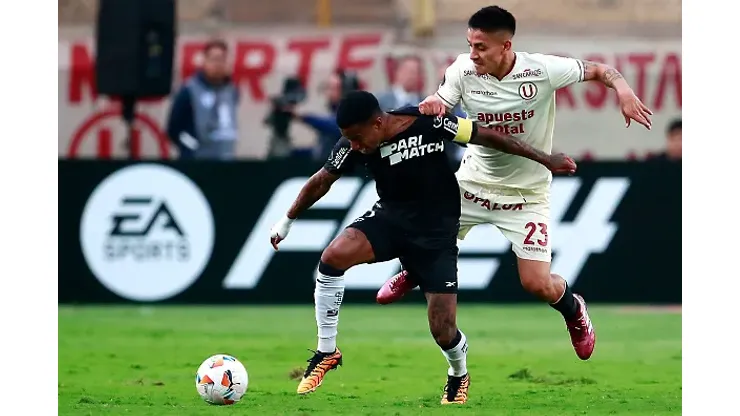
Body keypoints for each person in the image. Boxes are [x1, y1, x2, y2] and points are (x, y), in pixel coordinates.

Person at [376, 5, 654, 362]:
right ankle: (412, 271)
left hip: (526, 194)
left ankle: (573, 309)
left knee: (535, 283)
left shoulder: (541, 70)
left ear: (505, 46)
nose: (472, 54)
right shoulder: (462, 70)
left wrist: (624, 91)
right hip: (474, 182)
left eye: (481, 47)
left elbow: (604, 71)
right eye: (470, 45)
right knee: (430, 233)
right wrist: (432, 105)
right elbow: (440, 103)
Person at [269, 91, 577, 404]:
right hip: (391, 219)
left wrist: (544, 158)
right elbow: (322, 181)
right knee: (333, 256)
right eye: (350, 140)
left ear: (378, 122)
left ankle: (458, 373)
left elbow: (484, 136)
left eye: (359, 138)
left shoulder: (428, 122)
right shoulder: (352, 145)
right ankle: (327, 351)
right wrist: (286, 220)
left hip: (436, 235)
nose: (356, 146)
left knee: (443, 331)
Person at [166, 39, 240, 160]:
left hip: (226, 159)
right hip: (198, 160)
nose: (218, 64)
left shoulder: (232, 91)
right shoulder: (189, 90)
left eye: (222, 59)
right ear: (204, 61)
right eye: (214, 59)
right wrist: (192, 147)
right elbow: (173, 129)